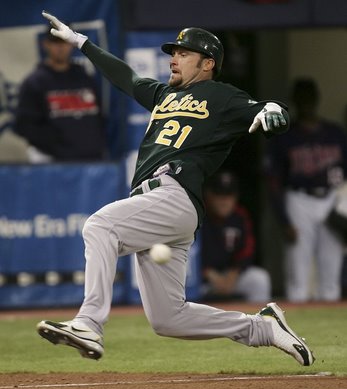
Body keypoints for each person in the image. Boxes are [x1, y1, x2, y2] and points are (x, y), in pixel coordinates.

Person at [37, 11, 314, 367]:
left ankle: (89, 324)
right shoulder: (164, 95)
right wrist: (82, 43)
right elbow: (127, 77)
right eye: (174, 52)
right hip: (159, 206)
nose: (174, 58)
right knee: (169, 318)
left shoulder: (220, 96)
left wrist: (274, 111)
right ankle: (263, 328)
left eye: (184, 53)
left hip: (174, 194)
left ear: (208, 63)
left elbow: (269, 111)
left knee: (99, 226)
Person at [265, 78, 347, 302]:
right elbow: (273, 182)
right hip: (299, 199)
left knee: (331, 272)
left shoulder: (335, 133)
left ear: (316, 99)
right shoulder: (285, 136)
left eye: (309, 98)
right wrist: (284, 220)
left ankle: (332, 330)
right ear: (295, 101)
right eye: (302, 99)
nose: (307, 103)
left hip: (331, 199)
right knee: (298, 274)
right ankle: (295, 327)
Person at [14, 26, 105, 162]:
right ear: (46, 44)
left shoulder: (85, 78)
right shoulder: (35, 82)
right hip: (54, 162)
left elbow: (99, 115)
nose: (60, 47)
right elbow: (23, 125)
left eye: (64, 42)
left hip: (91, 160)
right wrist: (57, 143)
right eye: (55, 42)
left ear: (71, 44)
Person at [202, 171, 271, 302]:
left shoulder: (240, 217)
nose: (224, 201)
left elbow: (247, 251)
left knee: (259, 279)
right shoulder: (197, 216)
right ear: (208, 195)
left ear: (236, 197)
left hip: (230, 276)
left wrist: (234, 274)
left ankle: (259, 322)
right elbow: (188, 254)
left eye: (228, 195)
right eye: (219, 195)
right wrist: (207, 273)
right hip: (202, 280)